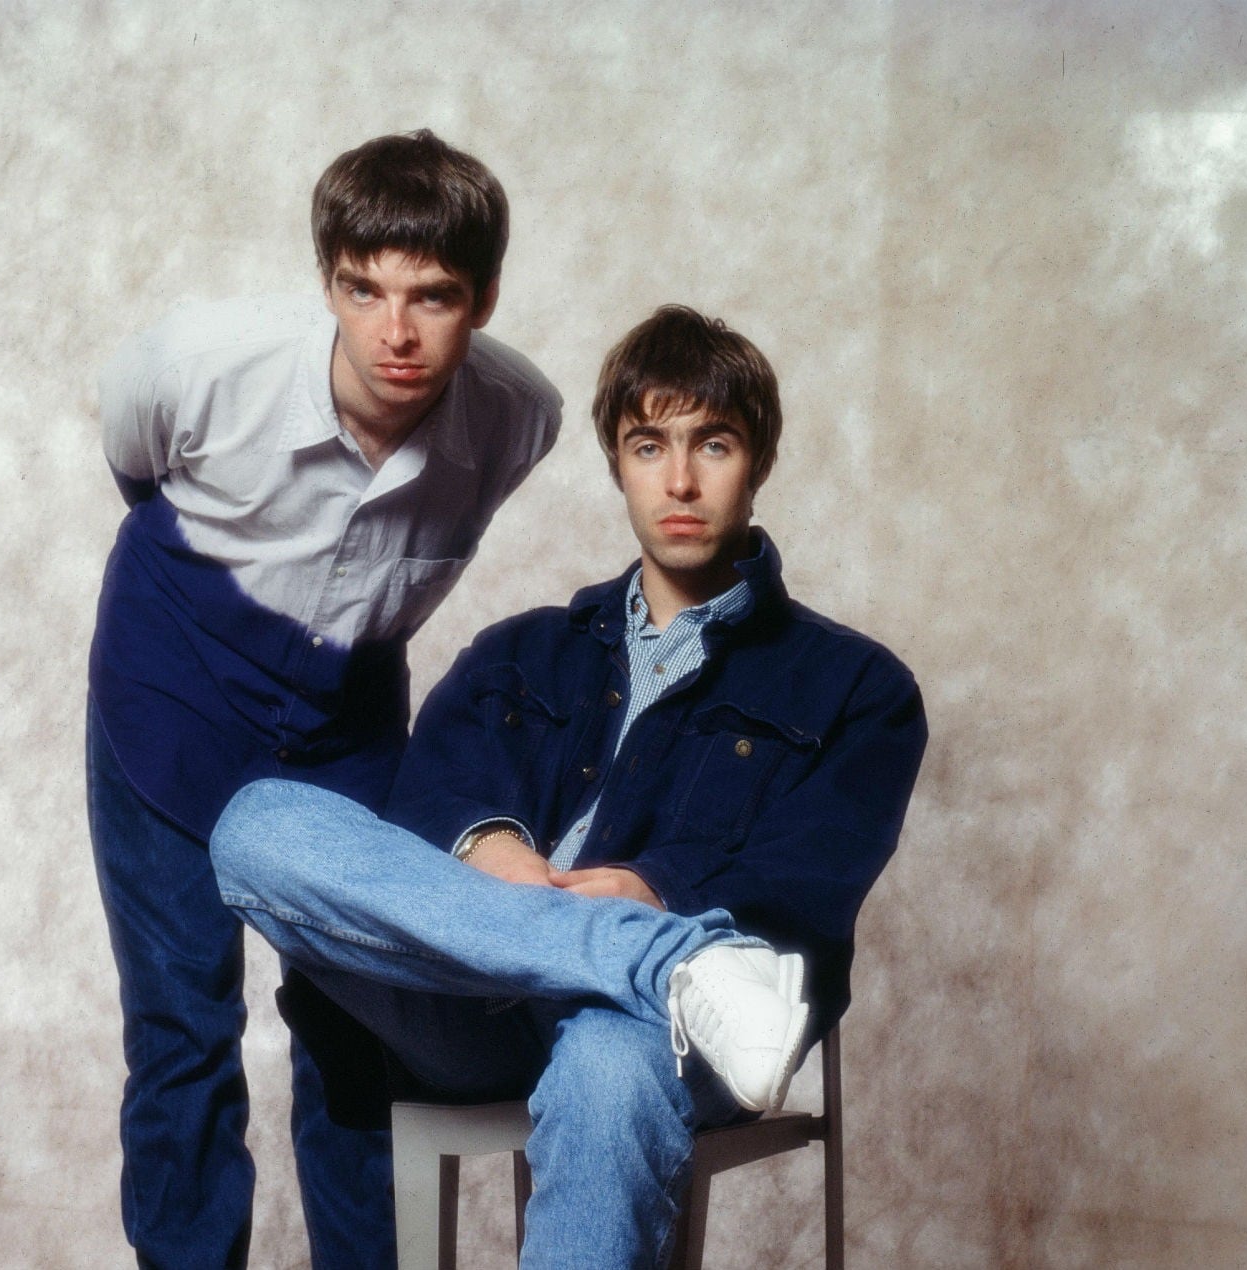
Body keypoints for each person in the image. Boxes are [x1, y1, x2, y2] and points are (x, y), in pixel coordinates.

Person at [210, 305, 928, 1268]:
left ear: (757, 463)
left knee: (604, 1062)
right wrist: (489, 849)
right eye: (648, 445)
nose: (678, 480)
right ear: (615, 462)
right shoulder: (520, 652)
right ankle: (658, 958)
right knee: (257, 824)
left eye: (711, 444)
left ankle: (656, 970)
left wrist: (652, 888)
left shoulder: (857, 688)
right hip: (479, 993)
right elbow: (423, 804)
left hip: (662, 1035)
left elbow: (805, 889)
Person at [86, 130, 561, 1268]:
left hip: (346, 719)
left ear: (484, 297)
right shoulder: (204, 362)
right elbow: (132, 463)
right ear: (328, 281)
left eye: (433, 295)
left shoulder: (517, 417)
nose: (394, 330)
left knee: (359, 1033)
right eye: (363, 288)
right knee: (183, 1033)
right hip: (173, 691)